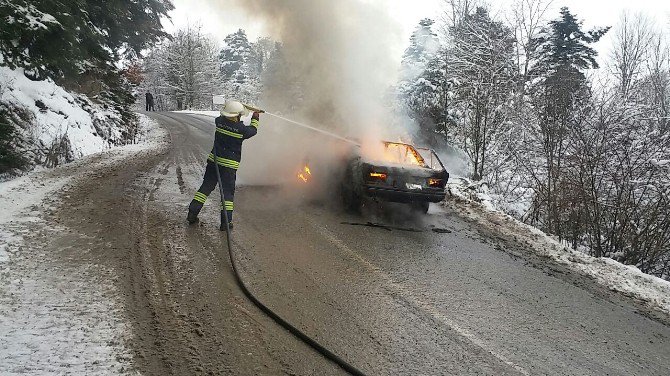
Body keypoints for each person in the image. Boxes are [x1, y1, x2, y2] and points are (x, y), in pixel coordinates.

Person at [187, 100, 260, 230]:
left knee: (206, 188)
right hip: (229, 167)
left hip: (214, 163)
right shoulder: (241, 130)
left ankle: (193, 212)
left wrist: (237, 107)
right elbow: (253, 130)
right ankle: (226, 223)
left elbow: (225, 115)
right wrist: (255, 116)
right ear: (237, 115)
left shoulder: (219, 122)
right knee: (227, 195)